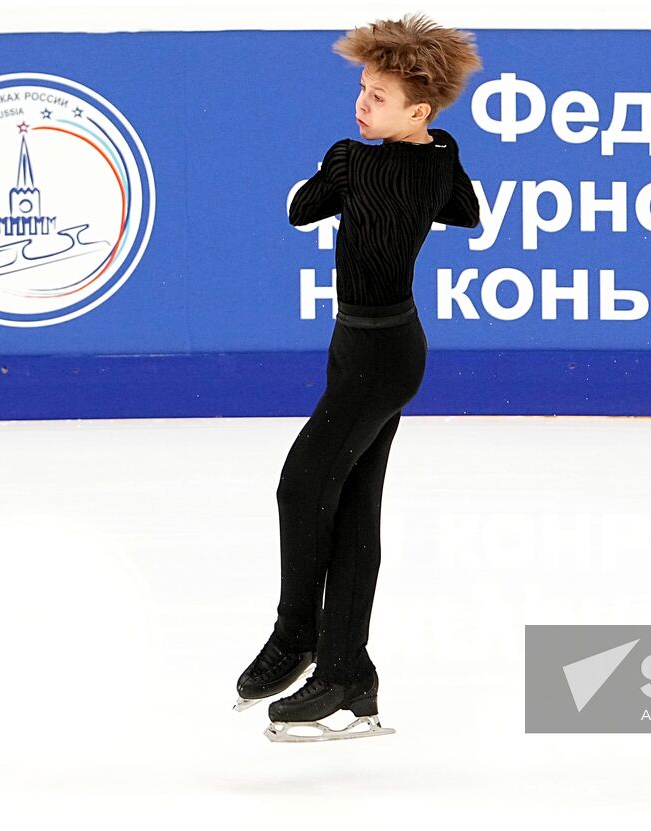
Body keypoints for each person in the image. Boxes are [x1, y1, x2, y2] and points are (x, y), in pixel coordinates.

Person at [234, 13, 482, 743]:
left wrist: (419, 160)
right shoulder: (353, 159)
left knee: (303, 484)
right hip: (351, 344)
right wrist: (338, 169)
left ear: (420, 111)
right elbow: (297, 211)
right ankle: (352, 672)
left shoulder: (426, 162)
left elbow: (465, 211)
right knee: (350, 506)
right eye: (363, 89)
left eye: (379, 97)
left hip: (388, 356)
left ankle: (299, 640)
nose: (362, 103)